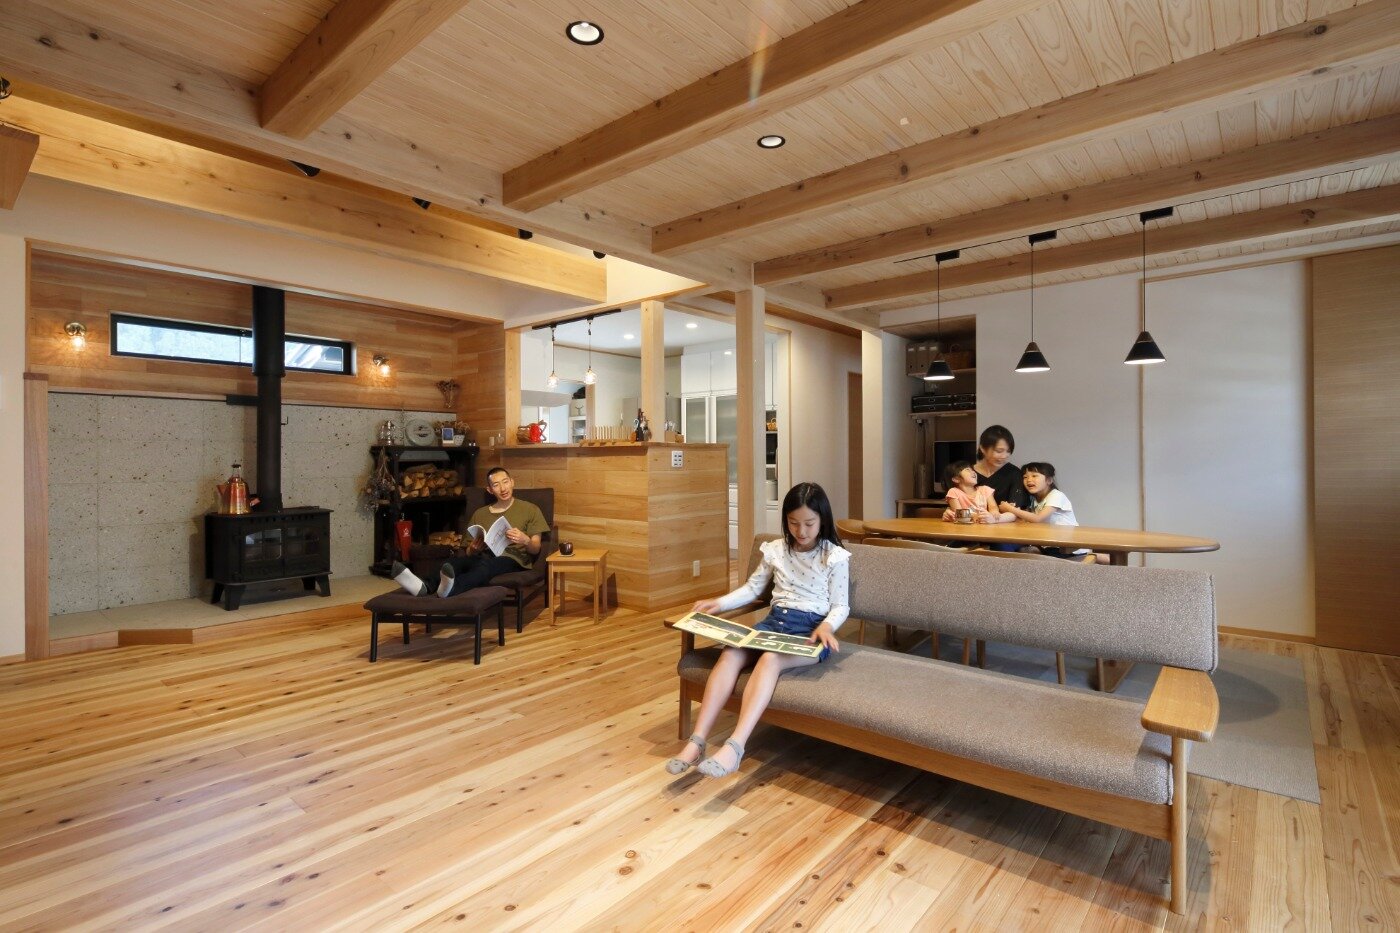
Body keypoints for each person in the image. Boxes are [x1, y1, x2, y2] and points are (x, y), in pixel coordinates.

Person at [666, 482, 850, 780]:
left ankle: (735, 747)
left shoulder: (834, 556)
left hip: (811, 632)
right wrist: (719, 603)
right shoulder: (776, 550)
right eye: (793, 523)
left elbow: (841, 605)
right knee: (731, 653)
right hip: (772, 624)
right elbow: (753, 588)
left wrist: (828, 626)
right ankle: (697, 742)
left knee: (770, 659)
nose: (801, 531)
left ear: (823, 520)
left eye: (809, 523)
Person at [391, 466, 549, 597]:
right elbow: (467, 552)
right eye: (496, 485)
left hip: (513, 559)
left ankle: (452, 589)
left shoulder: (530, 509)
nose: (503, 488)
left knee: (485, 566)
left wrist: (525, 540)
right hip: (484, 556)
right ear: (489, 490)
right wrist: (473, 549)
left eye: (505, 482)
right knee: (453, 563)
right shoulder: (480, 514)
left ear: (512, 482)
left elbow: (535, 548)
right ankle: (424, 586)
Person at [997, 462, 1091, 558]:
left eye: (1034, 476)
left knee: (1028, 555)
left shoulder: (1056, 495)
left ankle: (1092, 556)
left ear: (1049, 480)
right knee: (1004, 543)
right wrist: (1013, 511)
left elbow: (1038, 518)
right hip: (1048, 545)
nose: (1029, 480)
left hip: (1067, 546)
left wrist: (1011, 509)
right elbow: (1025, 521)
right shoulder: (1032, 498)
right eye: (1025, 477)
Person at [940, 460, 1006, 523]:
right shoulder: (953, 492)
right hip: (966, 526)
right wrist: (975, 516)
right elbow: (959, 513)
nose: (973, 472)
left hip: (984, 523)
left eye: (972, 470)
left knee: (1009, 515)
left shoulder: (985, 489)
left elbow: (993, 506)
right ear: (956, 479)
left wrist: (994, 512)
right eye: (967, 470)